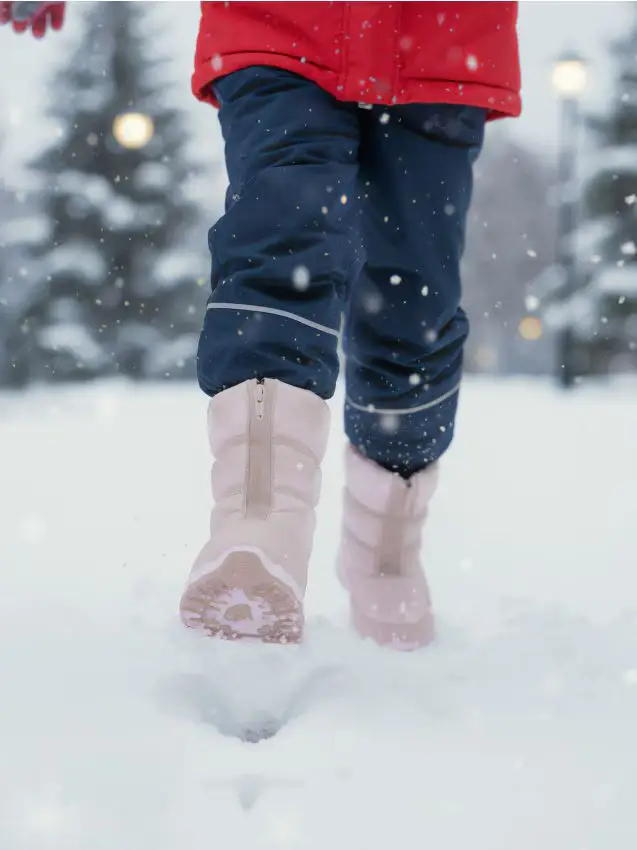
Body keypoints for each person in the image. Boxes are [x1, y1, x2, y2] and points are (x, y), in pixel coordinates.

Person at [2, 2, 521, 650]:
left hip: (441, 37)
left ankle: (385, 551)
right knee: (283, 236)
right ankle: (259, 521)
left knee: (412, 307)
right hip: (280, 23)